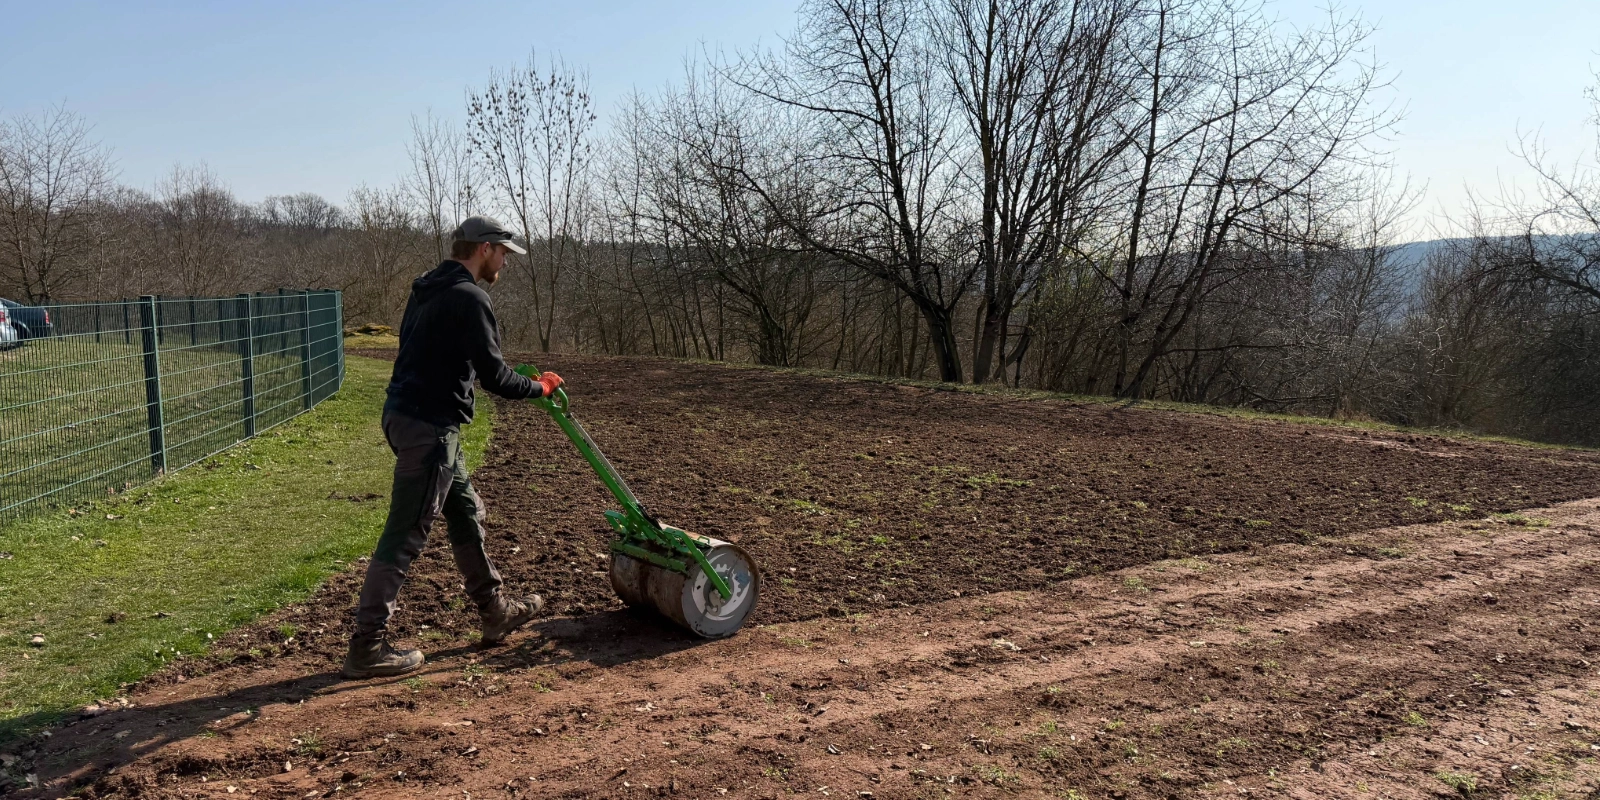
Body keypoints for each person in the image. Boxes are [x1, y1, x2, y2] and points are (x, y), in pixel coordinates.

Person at [342, 215, 564, 679]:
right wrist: (539, 387)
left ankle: (495, 611)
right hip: (430, 429)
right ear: (484, 249)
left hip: (407, 417)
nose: (506, 262)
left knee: (464, 511)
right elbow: (496, 377)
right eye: (504, 253)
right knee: (405, 533)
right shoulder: (470, 297)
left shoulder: (426, 289)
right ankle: (367, 646)